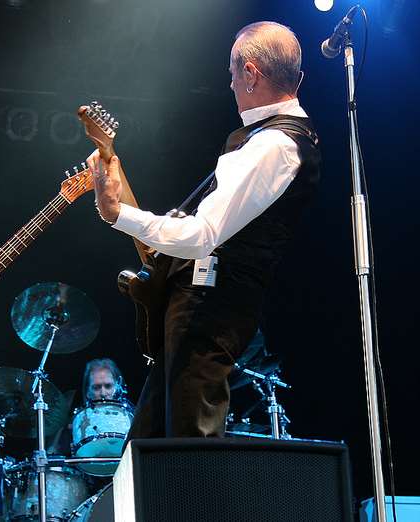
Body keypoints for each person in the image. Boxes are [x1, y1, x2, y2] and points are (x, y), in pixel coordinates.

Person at [87, 22, 320, 439]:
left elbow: (201, 236)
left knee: (190, 449)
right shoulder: (262, 140)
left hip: (211, 306)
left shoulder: (275, 145)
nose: (230, 84)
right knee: (150, 449)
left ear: (250, 73)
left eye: (232, 73)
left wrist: (115, 212)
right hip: (200, 303)